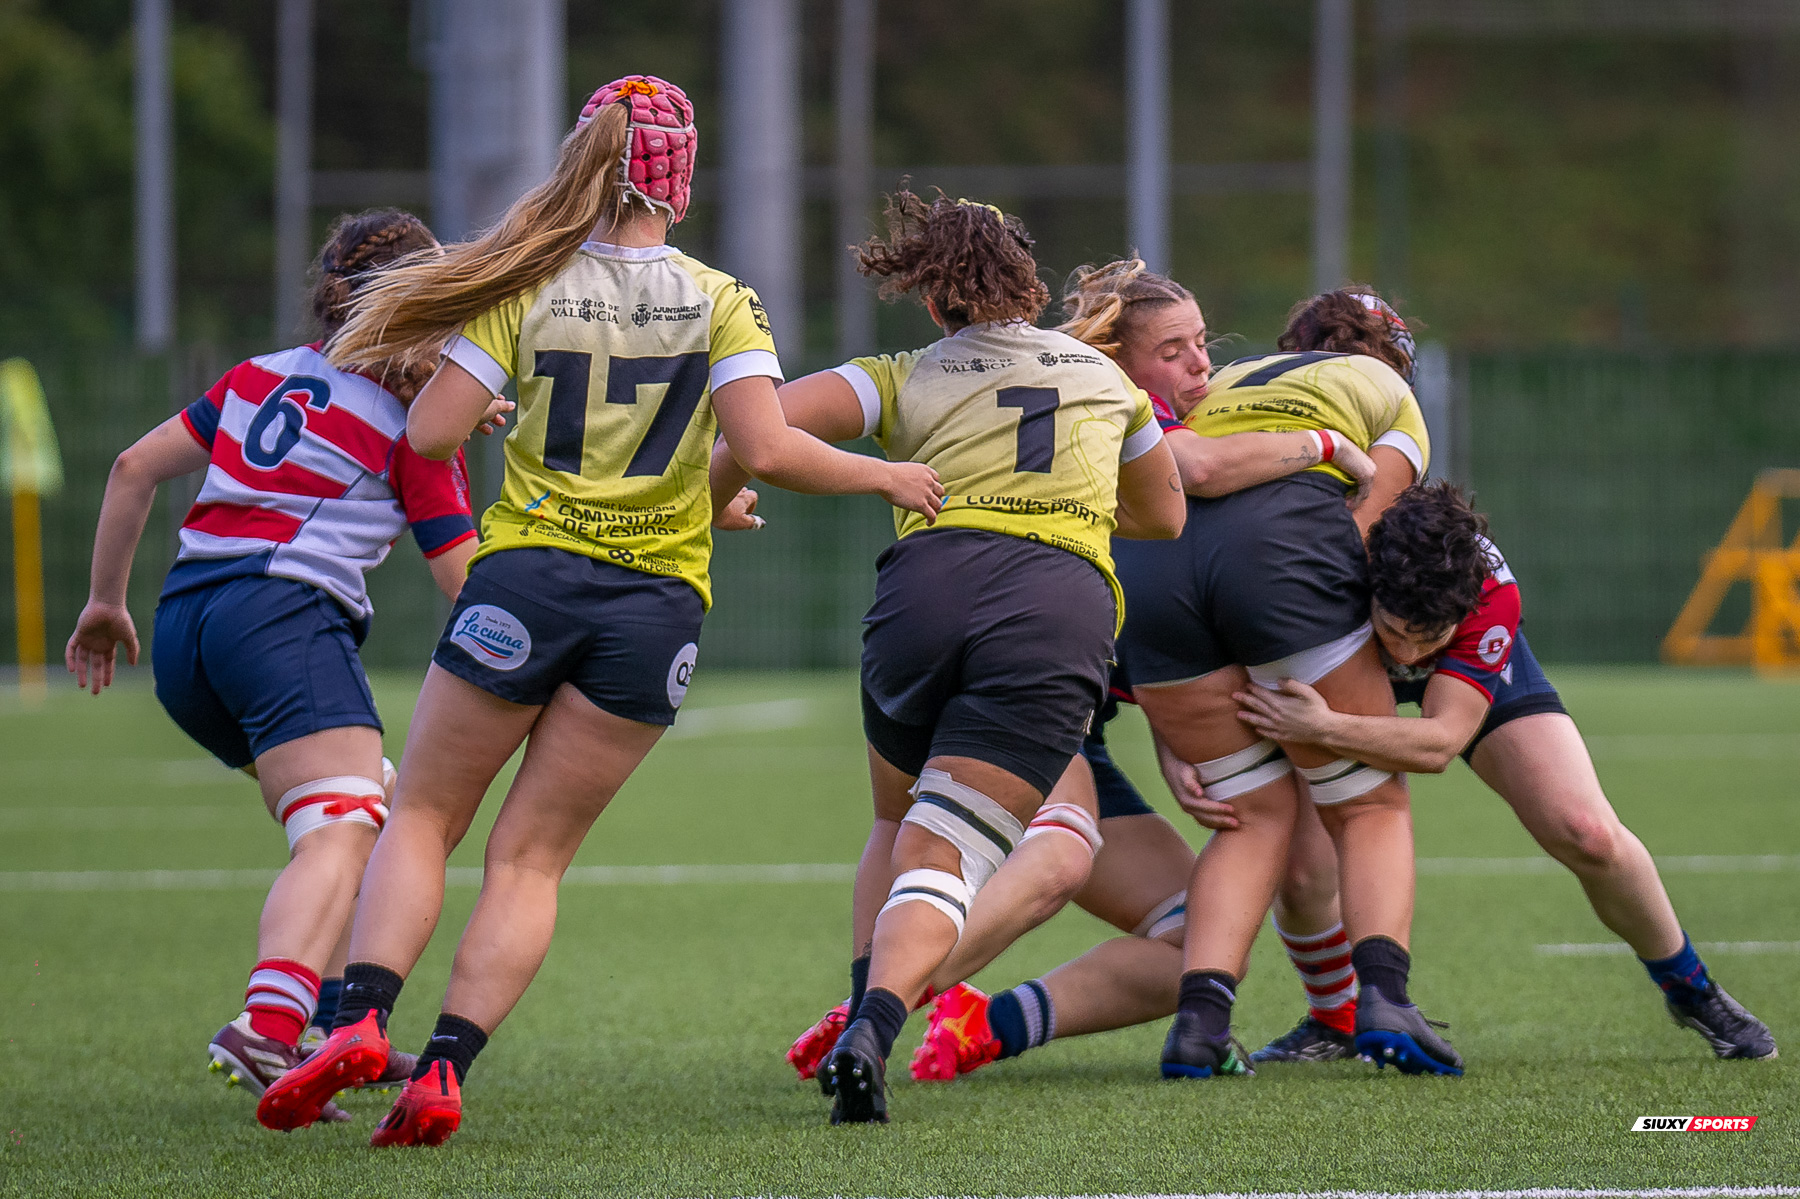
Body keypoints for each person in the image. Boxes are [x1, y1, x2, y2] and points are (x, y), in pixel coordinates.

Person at [255, 76, 942, 1147]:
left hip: (526, 583)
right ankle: (443, 1071)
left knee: (426, 816)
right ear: (683, 174)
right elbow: (765, 448)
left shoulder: (526, 280)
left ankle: (358, 1020)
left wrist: (489, 400)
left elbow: (427, 437)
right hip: (653, 612)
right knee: (530, 861)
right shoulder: (722, 296)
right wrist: (886, 476)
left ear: (584, 158)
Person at [780, 259, 1384, 1083]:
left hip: (1067, 705)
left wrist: (1176, 735)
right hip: (1016, 674)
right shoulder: (1107, 404)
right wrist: (1328, 444)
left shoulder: (1163, 434)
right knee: (1062, 846)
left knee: (1196, 935)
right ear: (1116, 358)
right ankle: (880, 1005)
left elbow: (1159, 629)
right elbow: (1193, 476)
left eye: (1203, 343)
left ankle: (983, 1024)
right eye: (1174, 350)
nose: (1201, 364)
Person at [716, 198, 1189, 1123]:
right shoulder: (1105, 378)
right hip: (1053, 606)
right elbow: (1166, 514)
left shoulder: (903, 372)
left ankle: (863, 1009)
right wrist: (1079, 504)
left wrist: (715, 502)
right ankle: (873, 1028)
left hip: (926, 589)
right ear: (1033, 288)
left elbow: (752, 424)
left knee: (895, 819)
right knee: (951, 849)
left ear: (934, 302)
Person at [63, 210, 479, 1116]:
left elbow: (133, 467)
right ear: (417, 308)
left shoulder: (260, 375)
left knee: (371, 804)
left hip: (185, 633)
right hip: (280, 617)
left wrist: (103, 603)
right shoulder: (414, 430)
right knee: (346, 821)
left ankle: (333, 1029)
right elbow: (464, 583)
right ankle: (268, 1025)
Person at [1230, 481, 1778, 1063]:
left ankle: (1691, 988)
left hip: (1432, 682)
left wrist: (1325, 727)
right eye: (1394, 632)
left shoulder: (1491, 595)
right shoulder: (1328, 566)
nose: (1408, 656)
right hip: (1338, 658)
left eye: (1427, 639)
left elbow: (1440, 743)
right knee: (1304, 877)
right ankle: (1335, 1019)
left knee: (1588, 833)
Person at [1115, 285, 1466, 1078]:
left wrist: (1176, 719)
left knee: (1250, 814)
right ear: (1393, 360)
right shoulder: (1390, 395)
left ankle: (1200, 1026)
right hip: (1280, 548)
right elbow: (1363, 523)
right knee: (1368, 802)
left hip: (1150, 561)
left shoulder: (1221, 382)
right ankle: (1385, 1000)